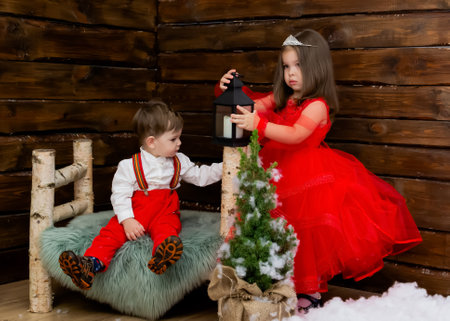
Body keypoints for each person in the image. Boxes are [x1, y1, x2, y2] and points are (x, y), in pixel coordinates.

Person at [216, 30, 422, 313]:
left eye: (298, 66)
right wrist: (230, 90)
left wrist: (259, 125)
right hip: (277, 174)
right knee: (277, 229)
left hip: (307, 177)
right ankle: (274, 281)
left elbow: (296, 134)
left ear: (316, 67)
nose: (291, 73)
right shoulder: (282, 97)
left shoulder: (317, 105)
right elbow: (248, 107)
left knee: (305, 234)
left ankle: (308, 291)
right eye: (286, 66)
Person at [59, 100, 223, 290]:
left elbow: (201, 176)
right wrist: (127, 219)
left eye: (179, 138)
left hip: (165, 212)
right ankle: (89, 264)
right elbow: (119, 195)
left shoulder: (179, 161)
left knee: (168, 230)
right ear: (151, 142)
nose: (179, 143)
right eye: (173, 139)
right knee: (111, 234)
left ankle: (163, 255)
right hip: (136, 212)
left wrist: (225, 166)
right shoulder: (130, 166)